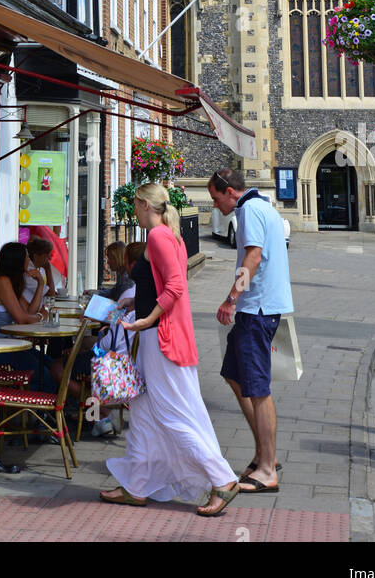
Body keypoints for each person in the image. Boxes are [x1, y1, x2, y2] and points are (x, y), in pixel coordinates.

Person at [100, 182, 240, 516]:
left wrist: (147, 318)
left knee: (169, 411)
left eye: (135, 203)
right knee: (146, 410)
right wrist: (137, 302)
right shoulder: (166, 235)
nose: (133, 209)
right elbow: (162, 284)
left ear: (146, 205)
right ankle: (136, 483)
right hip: (162, 334)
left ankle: (222, 479)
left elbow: (175, 286)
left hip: (161, 337)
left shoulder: (160, 237)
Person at [208, 166, 294, 495]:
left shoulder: (251, 212)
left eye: (216, 198)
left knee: (258, 389)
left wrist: (231, 299)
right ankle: (262, 454)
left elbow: (254, 258)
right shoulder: (259, 207)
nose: (215, 205)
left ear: (230, 191)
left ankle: (269, 468)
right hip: (256, 310)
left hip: (257, 310)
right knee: (235, 375)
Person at [0, 242, 48, 378]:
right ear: (18, 260)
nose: (29, 260)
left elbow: (29, 313)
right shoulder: (2, 282)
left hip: (7, 345)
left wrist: (41, 284)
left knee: (48, 363)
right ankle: (34, 398)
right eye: (27, 256)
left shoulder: (9, 282)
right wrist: (42, 316)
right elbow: (22, 319)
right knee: (43, 374)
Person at [21, 238, 56, 305]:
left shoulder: (35, 269)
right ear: (36, 256)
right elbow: (51, 295)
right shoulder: (29, 271)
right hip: (32, 312)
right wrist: (48, 269)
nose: (50, 258)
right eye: (47, 255)